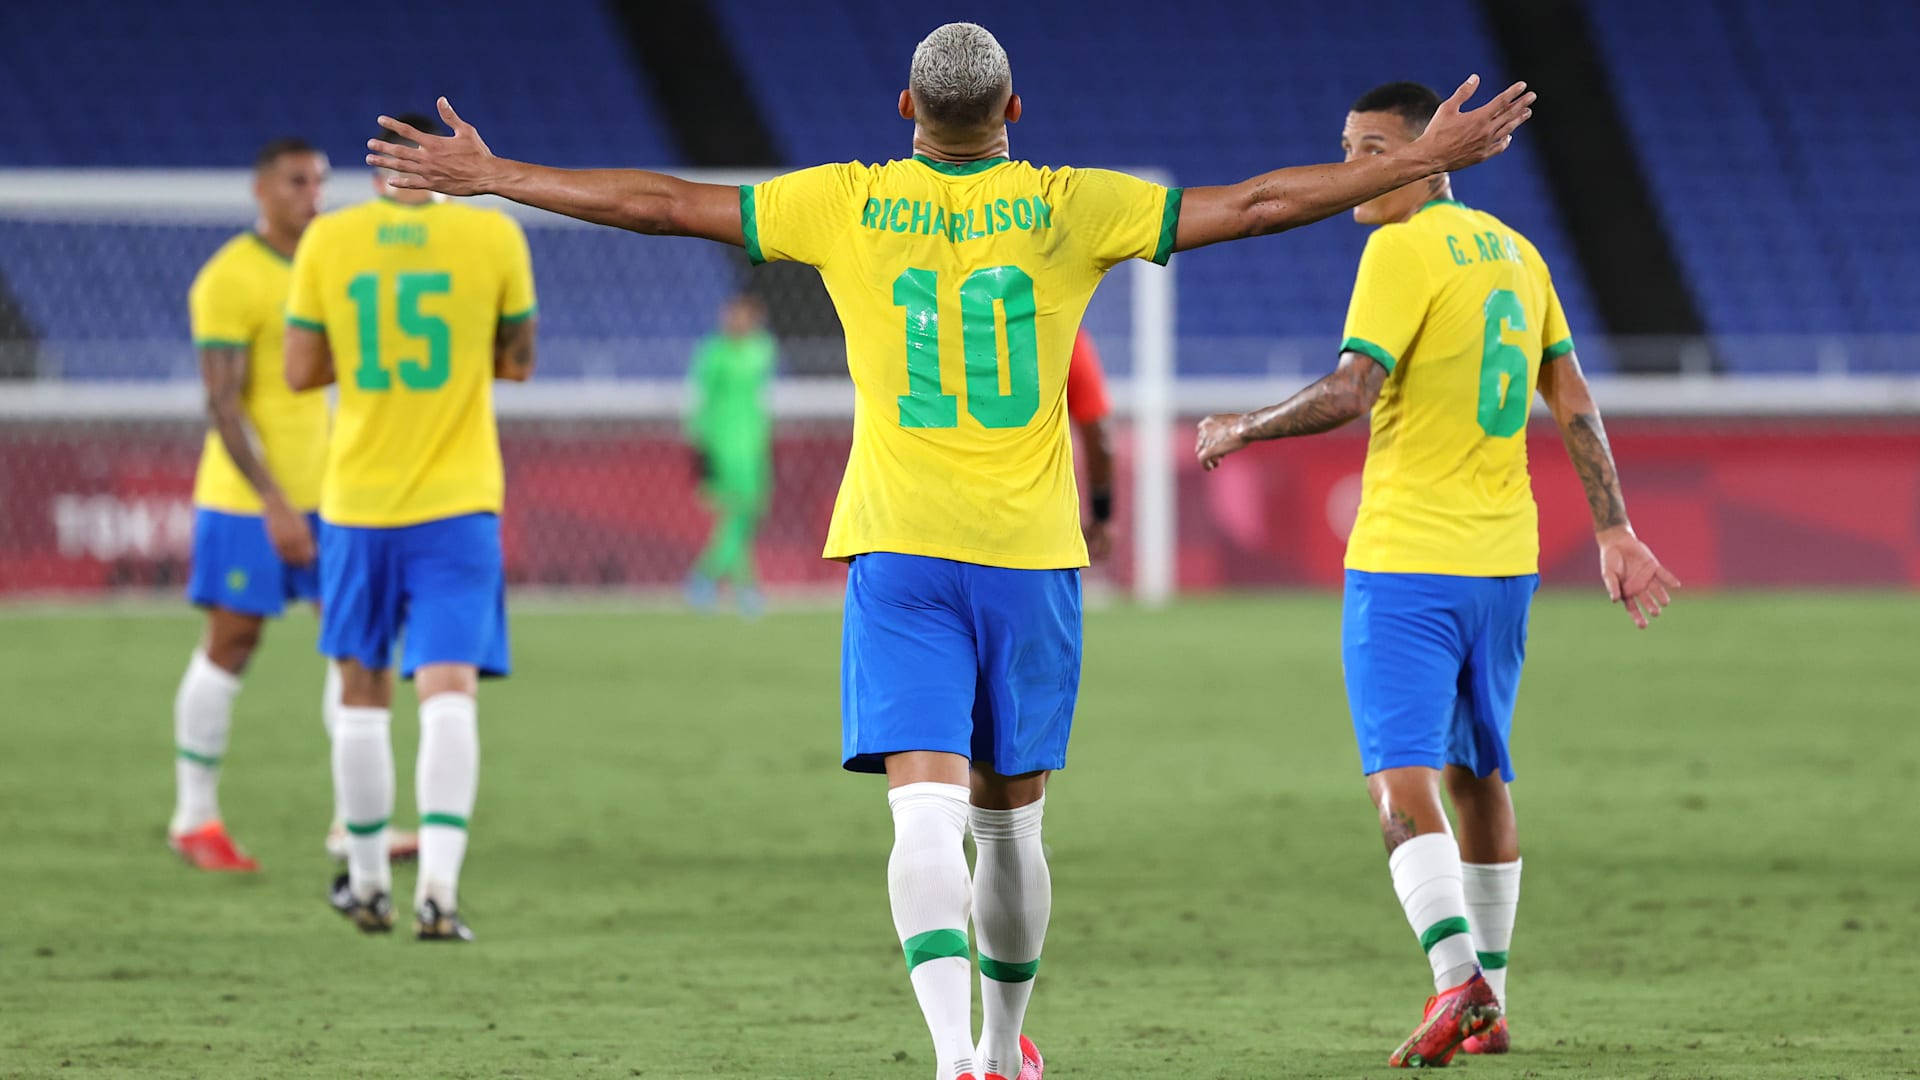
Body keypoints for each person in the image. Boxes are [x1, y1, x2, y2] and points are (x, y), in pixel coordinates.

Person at [367, 30, 1530, 1078]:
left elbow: (663, 205)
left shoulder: (847, 204)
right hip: (1028, 559)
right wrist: (1412, 166)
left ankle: (956, 1063)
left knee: (920, 817)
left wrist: (494, 176)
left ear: (904, 109)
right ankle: (996, 1041)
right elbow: (1266, 202)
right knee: (1010, 824)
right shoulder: (1071, 203)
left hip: (899, 553)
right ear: (1015, 112)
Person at [1194, 81, 1679, 1067]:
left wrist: (1239, 429)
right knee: (1482, 774)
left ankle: (1455, 979)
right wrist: (1615, 528)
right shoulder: (1519, 254)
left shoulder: (1399, 249)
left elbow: (1351, 390)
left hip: (1408, 563)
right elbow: (1571, 395)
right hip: (1505, 563)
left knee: (1398, 777)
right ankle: (1492, 1000)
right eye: (1348, 148)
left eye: (1374, 149)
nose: (1358, 170)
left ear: (1431, 154)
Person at [285, 113, 537, 941]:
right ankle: (438, 890)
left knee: (359, 696)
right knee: (448, 694)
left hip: (358, 504)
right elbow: (519, 360)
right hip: (459, 503)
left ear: (375, 171)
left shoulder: (328, 241)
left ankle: (364, 885)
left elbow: (299, 371)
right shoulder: (495, 237)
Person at [174, 137, 347, 871]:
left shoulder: (333, 264)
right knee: (232, 645)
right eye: (297, 181)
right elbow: (222, 403)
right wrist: (274, 501)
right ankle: (195, 818)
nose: (313, 194)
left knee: (353, 648)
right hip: (249, 503)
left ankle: (355, 822)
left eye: (320, 181)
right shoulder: (229, 277)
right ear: (261, 191)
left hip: (337, 496)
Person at [685, 293, 776, 614]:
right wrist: (700, 448)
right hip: (723, 448)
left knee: (742, 521)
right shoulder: (713, 354)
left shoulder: (761, 350)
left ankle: (707, 576)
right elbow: (701, 402)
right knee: (736, 518)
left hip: (754, 447)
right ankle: (743, 588)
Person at [1065, 327, 1115, 561]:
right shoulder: (1064, 335)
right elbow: (1099, 438)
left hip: (947, 515)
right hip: (1032, 514)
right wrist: (1101, 514)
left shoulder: (946, 329)